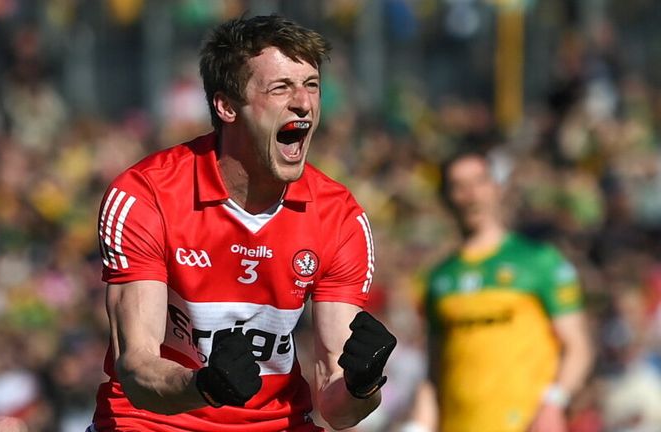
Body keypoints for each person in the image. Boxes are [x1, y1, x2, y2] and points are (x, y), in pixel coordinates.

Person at [89, 15, 396, 432]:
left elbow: (337, 406)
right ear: (226, 106)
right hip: (151, 424)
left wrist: (363, 385)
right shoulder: (146, 194)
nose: (304, 103)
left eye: (311, 85)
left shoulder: (339, 216)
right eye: (281, 88)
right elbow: (137, 369)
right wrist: (206, 387)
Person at [405, 150, 593, 432]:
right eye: (459, 186)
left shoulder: (538, 261)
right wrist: (416, 427)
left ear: (497, 187)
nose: (471, 195)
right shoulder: (439, 279)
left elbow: (578, 347)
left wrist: (554, 402)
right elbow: (434, 372)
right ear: (446, 198)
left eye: (479, 182)